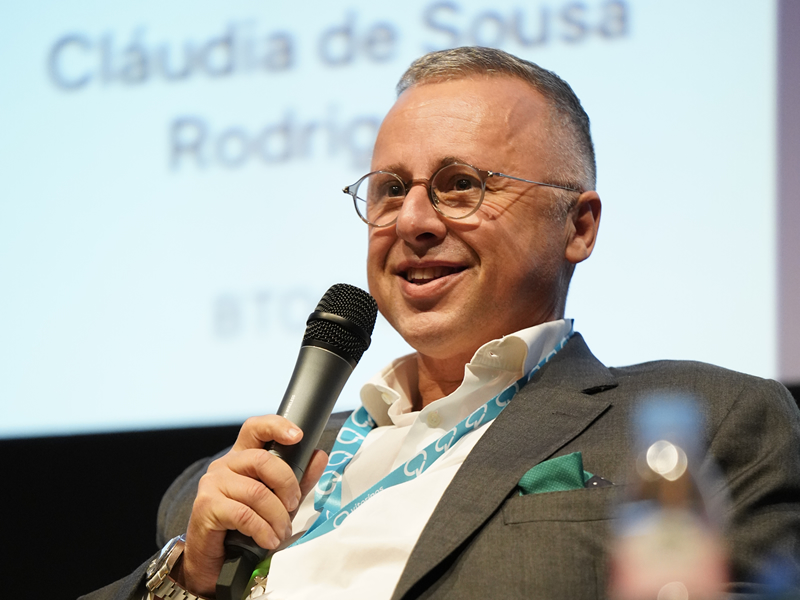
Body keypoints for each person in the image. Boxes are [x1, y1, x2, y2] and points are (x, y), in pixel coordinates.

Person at [83, 47, 800, 600]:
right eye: (391, 190)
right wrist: (187, 583)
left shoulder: (708, 420)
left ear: (578, 227)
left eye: (461, 185)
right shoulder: (228, 490)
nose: (414, 221)